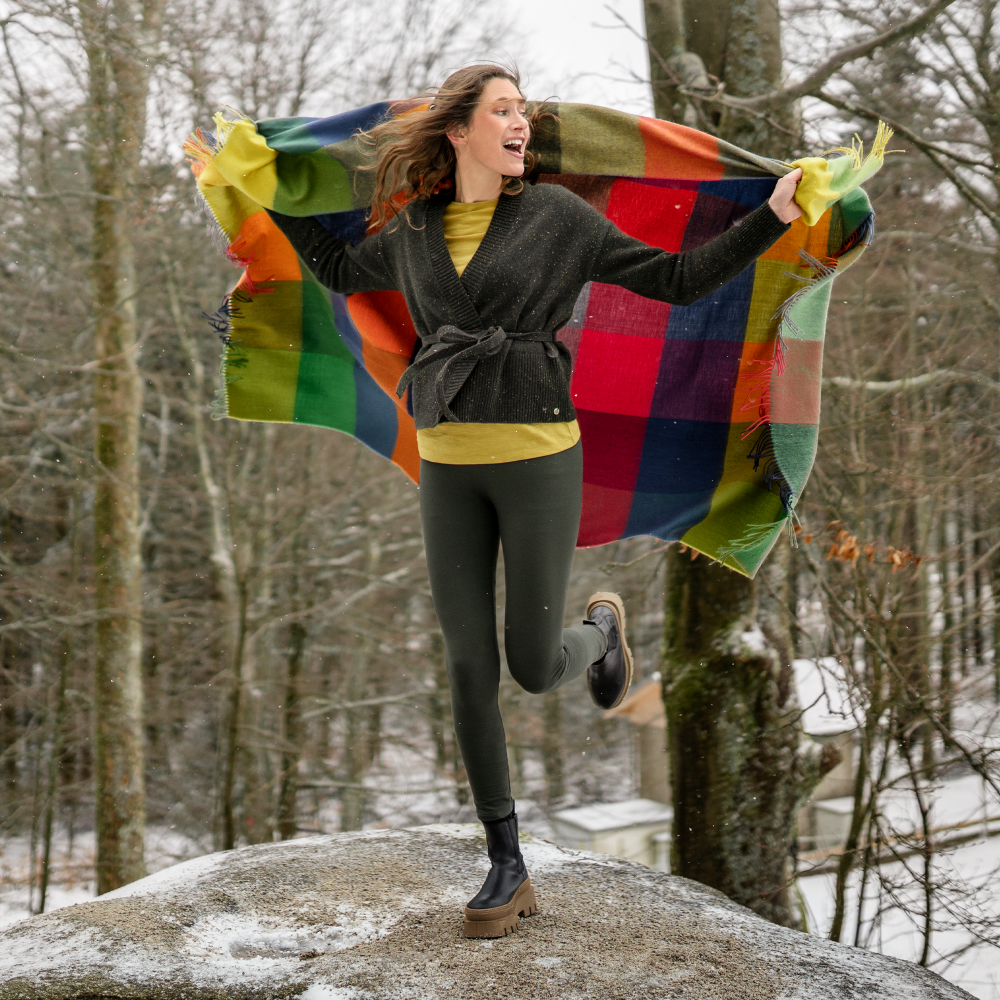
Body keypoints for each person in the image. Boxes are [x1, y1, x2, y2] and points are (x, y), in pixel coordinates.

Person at [264, 64, 803, 938]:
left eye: (524, 111)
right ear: (458, 131)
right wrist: (262, 188)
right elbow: (333, 262)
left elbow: (676, 280)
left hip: (539, 458)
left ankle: (600, 633)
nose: (520, 123)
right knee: (467, 667)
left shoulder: (556, 216)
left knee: (531, 665)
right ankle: (505, 860)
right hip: (447, 463)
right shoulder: (414, 228)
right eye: (502, 110)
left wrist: (771, 217)